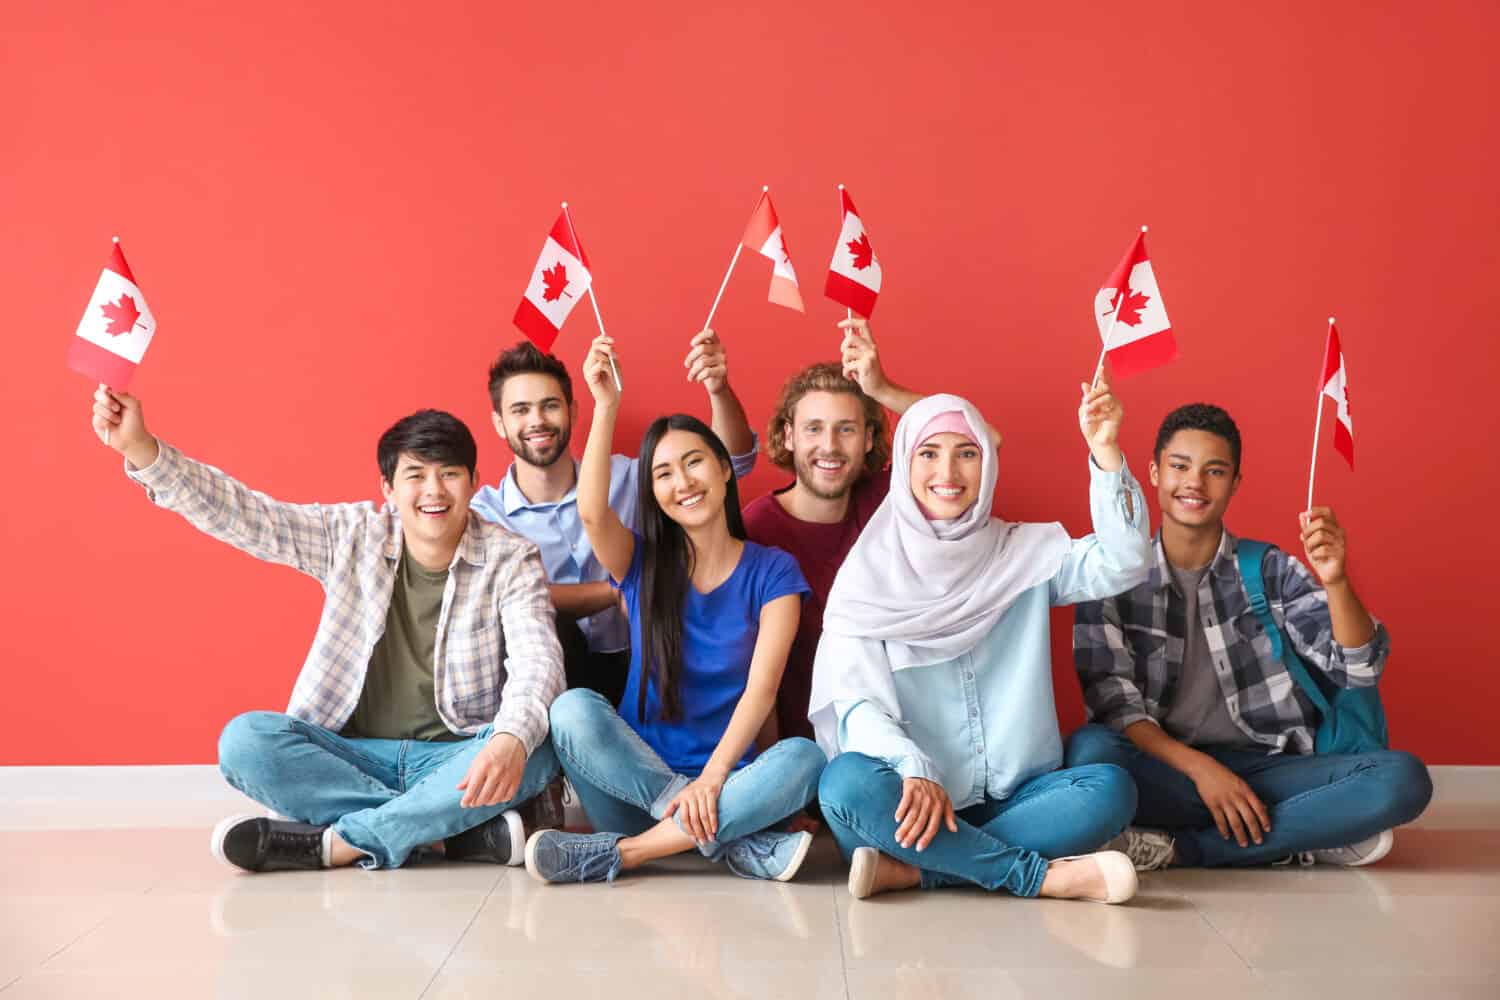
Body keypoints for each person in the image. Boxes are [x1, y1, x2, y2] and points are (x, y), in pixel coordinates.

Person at [90, 386, 565, 873]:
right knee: (245, 741)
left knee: (544, 740)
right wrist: (142, 450)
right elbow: (247, 517)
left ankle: (341, 842)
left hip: (455, 758)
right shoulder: (352, 534)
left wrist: (508, 739)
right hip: (350, 755)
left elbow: (538, 660)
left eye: (449, 475)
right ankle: (447, 834)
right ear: (388, 489)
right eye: (415, 476)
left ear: (473, 482)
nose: (433, 491)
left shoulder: (512, 557)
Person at [813, 382, 1152, 903]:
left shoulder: (1024, 554)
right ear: (905, 465)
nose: (947, 473)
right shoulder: (866, 580)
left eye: (966, 453)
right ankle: (1039, 876)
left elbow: (1126, 561)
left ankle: (920, 872)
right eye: (929, 453)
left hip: (1020, 801)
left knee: (1110, 788)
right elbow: (858, 708)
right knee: (845, 785)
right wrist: (913, 767)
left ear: (987, 464)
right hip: (909, 799)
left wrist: (1105, 452)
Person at [1068, 403, 1431, 870]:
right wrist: (1205, 772)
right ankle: (1301, 832)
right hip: (1171, 772)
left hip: (1273, 769)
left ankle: (1183, 848)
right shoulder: (1112, 577)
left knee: (1402, 780)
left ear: (1235, 483)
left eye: (1214, 471)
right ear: (1155, 473)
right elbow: (1115, 708)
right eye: (1180, 467)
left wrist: (1337, 580)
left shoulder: (1270, 570)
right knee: (1089, 755)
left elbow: (1358, 668)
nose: (1194, 483)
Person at [523, 334, 827, 885]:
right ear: (653, 490)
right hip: (634, 787)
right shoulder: (643, 562)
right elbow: (592, 513)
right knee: (571, 710)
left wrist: (713, 782)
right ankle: (730, 843)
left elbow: (761, 693)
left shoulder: (774, 571)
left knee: (805, 758)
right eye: (663, 473)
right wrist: (606, 404)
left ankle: (627, 854)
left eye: (694, 463)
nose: (682, 482)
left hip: (729, 783)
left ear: (725, 470)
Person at [473, 331, 757, 706]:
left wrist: (718, 389)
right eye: (521, 410)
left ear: (573, 411)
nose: (537, 420)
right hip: (551, 677)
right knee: (550, 624)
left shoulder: (628, 478)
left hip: (650, 658)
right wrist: (620, 589)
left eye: (550, 406)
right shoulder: (485, 514)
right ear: (499, 423)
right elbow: (503, 597)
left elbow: (734, 464)